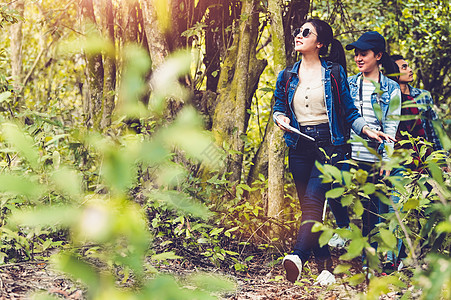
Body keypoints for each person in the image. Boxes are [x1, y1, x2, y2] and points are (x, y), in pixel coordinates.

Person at [272, 20, 394, 285]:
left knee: (315, 203)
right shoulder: (287, 75)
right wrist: (280, 117)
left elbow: (349, 111)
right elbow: (278, 105)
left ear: (320, 43)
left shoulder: (334, 72)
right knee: (309, 209)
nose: (298, 36)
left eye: (306, 32)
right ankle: (325, 266)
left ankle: (298, 256)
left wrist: (366, 130)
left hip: (330, 146)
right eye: (297, 32)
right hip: (299, 146)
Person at [381, 54, 445, 272]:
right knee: (397, 206)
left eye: (408, 66)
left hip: (424, 160)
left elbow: (434, 130)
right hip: (398, 160)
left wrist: (442, 159)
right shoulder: (387, 96)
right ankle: (392, 260)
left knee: (430, 208)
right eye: (403, 67)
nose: (409, 70)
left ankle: (417, 255)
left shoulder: (423, 96)